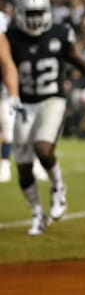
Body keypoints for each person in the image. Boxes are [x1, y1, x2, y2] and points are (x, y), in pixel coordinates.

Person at [7, 0, 85, 235]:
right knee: (24, 165)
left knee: (42, 147)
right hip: (24, 103)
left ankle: (58, 186)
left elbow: (78, 61)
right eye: (31, 13)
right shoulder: (10, 37)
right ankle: (37, 213)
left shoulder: (60, 33)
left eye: (39, 13)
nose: (36, 19)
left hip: (52, 100)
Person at [0, 10, 22, 183]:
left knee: (8, 126)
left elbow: (7, 62)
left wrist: (14, 94)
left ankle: (5, 164)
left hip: (4, 90)